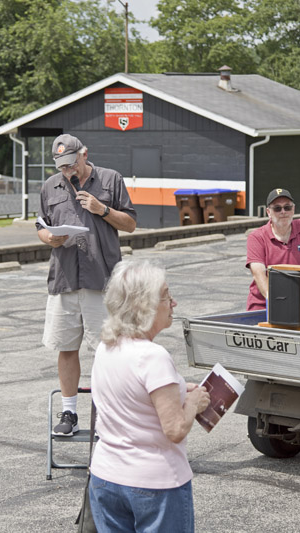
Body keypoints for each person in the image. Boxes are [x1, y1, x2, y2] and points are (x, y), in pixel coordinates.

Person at [88, 260, 210, 532]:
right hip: (154, 483)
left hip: (106, 476)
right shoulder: (153, 356)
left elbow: (132, 394)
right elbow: (175, 430)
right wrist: (192, 403)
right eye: (166, 296)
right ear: (144, 305)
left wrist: (178, 389)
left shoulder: (106, 347)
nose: (173, 303)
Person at [36, 134, 136, 436]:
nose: (67, 171)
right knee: (66, 348)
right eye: (62, 166)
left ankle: (110, 414)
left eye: (71, 164)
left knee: (108, 350)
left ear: (84, 155)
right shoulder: (50, 186)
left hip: (101, 280)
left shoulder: (110, 179)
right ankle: (69, 413)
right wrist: (48, 237)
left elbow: (131, 224)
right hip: (65, 279)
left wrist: (101, 209)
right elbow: (40, 225)